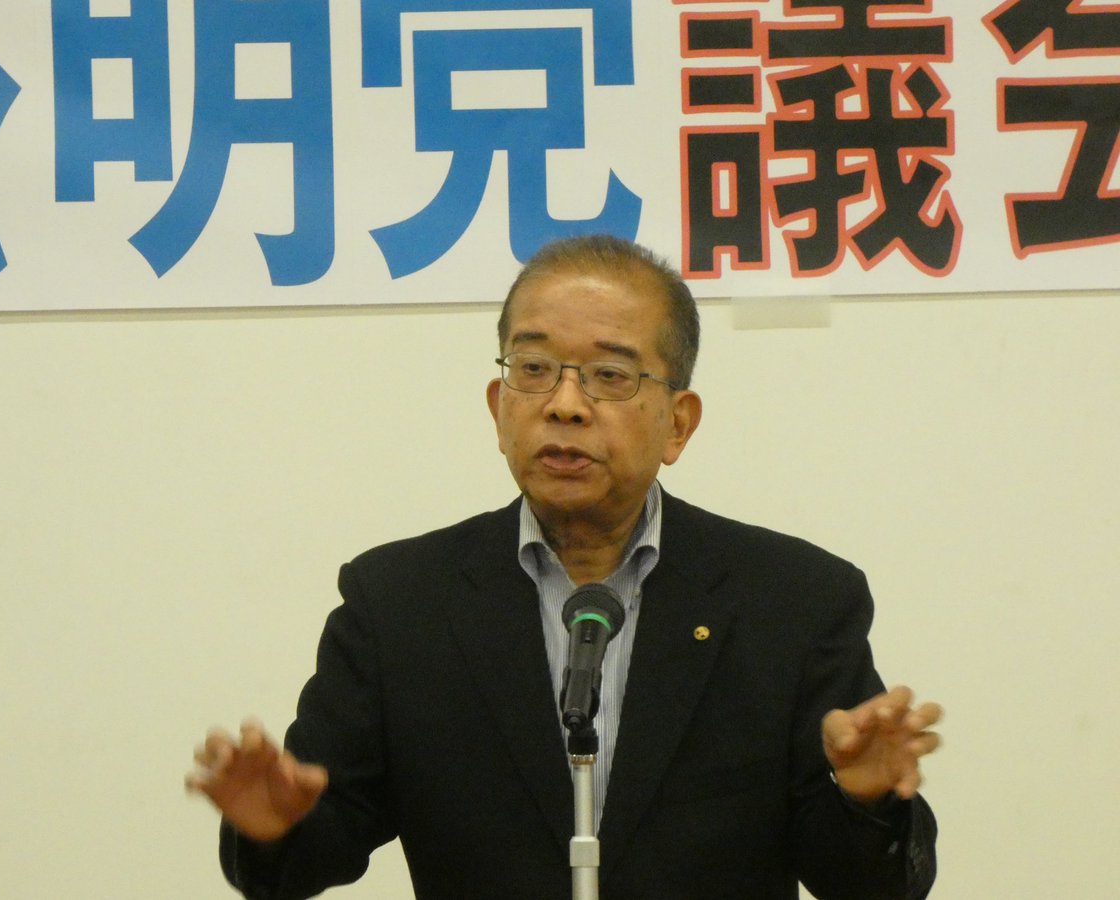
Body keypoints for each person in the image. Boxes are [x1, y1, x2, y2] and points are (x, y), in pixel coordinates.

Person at [187, 235, 943, 899]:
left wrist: (865, 800)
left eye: (610, 375)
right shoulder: (398, 604)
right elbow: (314, 847)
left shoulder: (794, 602)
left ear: (678, 424)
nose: (565, 404)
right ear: (498, 407)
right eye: (535, 367)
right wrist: (273, 828)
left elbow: (872, 886)